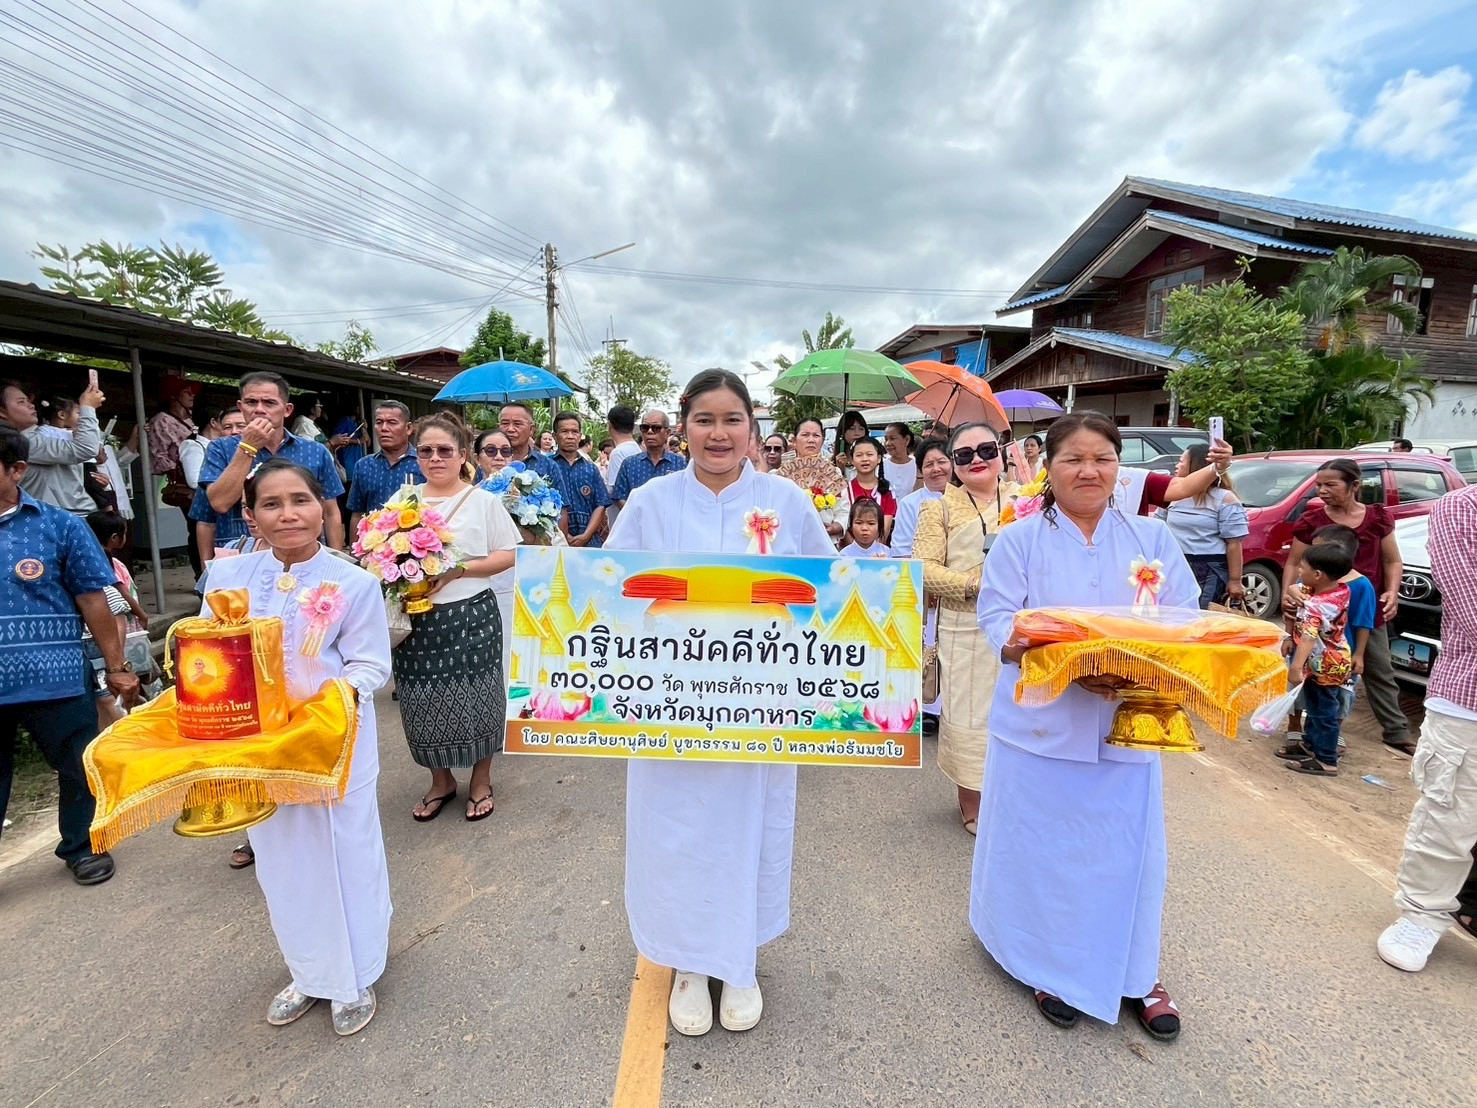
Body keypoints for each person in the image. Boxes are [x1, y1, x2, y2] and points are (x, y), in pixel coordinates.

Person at [605, 369, 834, 1038]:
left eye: (732, 419)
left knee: (750, 832)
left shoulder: (786, 501)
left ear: (751, 427)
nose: (718, 433)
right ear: (683, 427)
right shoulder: (649, 502)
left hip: (758, 715)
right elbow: (606, 591)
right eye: (704, 419)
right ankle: (686, 963)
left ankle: (739, 963)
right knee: (676, 835)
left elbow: (831, 591)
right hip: (668, 715)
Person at [975, 410, 1198, 1040]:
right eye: (1073, 459)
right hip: (1042, 727)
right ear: (1048, 467)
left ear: (1119, 467)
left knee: (1127, 854)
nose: (1088, 470)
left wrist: (1136, 669)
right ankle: (1048, 965)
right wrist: (1067, 665)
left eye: (1102, 458)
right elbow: (998, 620)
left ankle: (1136, 971)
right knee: (1047, 853)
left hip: (1130, 720)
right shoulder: (1020, 540)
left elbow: (1186, 618)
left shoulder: (1152, 539)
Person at [201, 459, 391, 1035]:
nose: (288, 514)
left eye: (300, 500)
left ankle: (355, 975)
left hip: (333, 744)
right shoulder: (227, 577)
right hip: (260, 750)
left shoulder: (354, 582)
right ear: (251, 514)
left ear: (322, 507)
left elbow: (370, 665)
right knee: (282, 863)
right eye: (272, 504)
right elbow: (207, 655)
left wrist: (326, 706)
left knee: (346, 855)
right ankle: (310, 973)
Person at [0, 429, 140, 886]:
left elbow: (93, 599)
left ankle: (83, 845)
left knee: (78, 764)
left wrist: (116, 666)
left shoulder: (60, 526)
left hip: (54, 673)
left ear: (17, 470)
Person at [394, 413, 518, 824]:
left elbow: (509, 554)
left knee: (479, 696)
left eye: (445, 450)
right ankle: (441, 780)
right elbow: (382, 552)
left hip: (472, 615)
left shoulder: (482, 501)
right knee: (421, 700)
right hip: (418, 619)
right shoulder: (401, 502)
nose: (435, 458)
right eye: (426, 451)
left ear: (463, 455)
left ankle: (481, 780)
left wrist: (458, 569)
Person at [1376, 481, 1477, 972]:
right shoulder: (1463, 509)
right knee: (1451, 818)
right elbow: (1473, 613)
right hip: (1469, 702)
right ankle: (1422, 915)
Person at [914, 423, 1018, 835]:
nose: (977, 459)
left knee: (1019, 712)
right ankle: (972, 803)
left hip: (1021, 624)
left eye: (986, 450)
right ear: (954, 464)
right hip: (965, 625)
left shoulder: (1026, 498)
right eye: (964, 454)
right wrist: (976, 585)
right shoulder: (939, 507)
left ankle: (1016, 800)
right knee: (969, 716)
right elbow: (923, 568)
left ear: (1001, 453)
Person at [1281, 459, 1410, 754]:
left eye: (1330, 484)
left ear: (1354, 485)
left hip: (1363, 608)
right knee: (1305, 666)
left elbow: (1392, 560)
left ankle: (1396, 731)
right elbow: (1293, 562)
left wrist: (1392, 592)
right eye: (1318, 485)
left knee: (1374, 669)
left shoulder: (1376, 518)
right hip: (1318, 610)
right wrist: (1288, 596)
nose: (1322, 491)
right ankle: (1302, 729)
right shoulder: (1312, 521)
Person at [196, 372, 346, 550]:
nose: (259, 409)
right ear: (241, 407)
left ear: (287, 410)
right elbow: (217, 506)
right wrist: (248, 447)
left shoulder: (315, 451)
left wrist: (336, 559)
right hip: (241, 554)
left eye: (269, 403)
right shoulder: (220, 449)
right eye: (251, 402)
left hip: (303, 553)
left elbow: (330, 512)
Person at [1276, 542, 1354, 776]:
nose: (1299, 572)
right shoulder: (1338, 590)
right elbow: (1295, 587)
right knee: (1315, 706)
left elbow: (1309, 638)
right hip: (1328, 661)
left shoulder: (1317, 606)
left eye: (1303, 568)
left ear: (1318, 575)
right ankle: (1310, 744)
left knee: (1324, 711)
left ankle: (1326, 759)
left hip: (1324, 665)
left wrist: (1295, 667)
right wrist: (1294, 592)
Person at [1161, 443, 1248, 609]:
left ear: (1196, 466)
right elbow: (1159, 529)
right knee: (1174, 614)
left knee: (1200, 616)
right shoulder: (1171, 496)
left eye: (1181, 461)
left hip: (1209, 569)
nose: (1177, 466)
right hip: (1175, 565)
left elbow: (1234, 543)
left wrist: (1235, 581)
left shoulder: (1225, 499)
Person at [3, 379, 106, 515]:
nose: (31, 405)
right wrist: (88, 408)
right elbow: (86, 449)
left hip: (68, 514)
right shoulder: (23, 441)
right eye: (21, 402)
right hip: (63, 516)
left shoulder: (41, 434)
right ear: (2, 412)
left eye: (28, 400)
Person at [473, 428, 520, 676]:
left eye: (505, 451)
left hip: (518, 582)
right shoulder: (468, 498)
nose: (499, 457)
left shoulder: (529, 492)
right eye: (490, 451)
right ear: (476, 457)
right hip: (479, 583)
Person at [346, 401, 423, 535]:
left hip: (416, 544)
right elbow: (357, 514)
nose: (384, 428)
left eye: (392, 422)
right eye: (379, 422)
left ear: (408, 428)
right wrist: (355, 548)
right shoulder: (364, 465)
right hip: (373, 544)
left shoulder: (424, 464)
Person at [190, 408, 249, 567]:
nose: (234, 431)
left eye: (241, 426)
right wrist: (206, 566)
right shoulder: (213, 465)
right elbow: (205, 521)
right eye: (227, 427)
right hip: (229, 551)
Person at [774, 418, 846, 543]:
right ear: (794, 441)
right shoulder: (777, 476)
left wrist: (836, 526)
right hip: (788, 541)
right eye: (805, 435)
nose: (811, 440)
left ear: (823, 440)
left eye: (816, 435)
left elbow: (843, 510)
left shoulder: (834, 473)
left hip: (825, 541)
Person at [551, 411, 610, 548]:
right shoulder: (548, 466)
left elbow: (601, 504)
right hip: (555, 541)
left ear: (580, 436)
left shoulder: (591, 468)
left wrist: (586, 535)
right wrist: (564, 535)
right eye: (564, 431)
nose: (570, 436)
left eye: (575, 432)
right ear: (555, 436)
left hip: (590, 541)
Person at [891, 439, 951, 558]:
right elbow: (902, 551)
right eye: (929, 464)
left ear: (953, 464)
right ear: (920, 471)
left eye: (941, 462)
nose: (936, 469)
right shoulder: (908, 503)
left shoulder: (966, 497)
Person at [612, 409, 686, 505]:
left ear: (667, 433)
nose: (650, 432)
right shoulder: (629, 464)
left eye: (656, 428)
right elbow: (620, 497)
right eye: (645, 428)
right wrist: (634, 513)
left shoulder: (681, 464)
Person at [843, 437, 897, 542]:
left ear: (879, 458)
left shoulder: (888, 490)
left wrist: (872, 550)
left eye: (869, 454)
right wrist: (855, 549)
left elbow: (884, 530)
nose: (864, 459)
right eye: (859, 455)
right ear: (852, 460)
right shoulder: (844, 490)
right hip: (848, 549)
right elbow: (843, 526)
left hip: (878, 550)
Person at [145, 376, 201, 477]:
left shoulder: (194, 417)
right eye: (186, 392)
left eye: (192, 392)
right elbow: (159, 455)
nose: (192, 395)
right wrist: (181, 472)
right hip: (180, 477)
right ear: (173, 396)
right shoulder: (161, 421)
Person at [497, 403, 564, 487]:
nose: (510, 429)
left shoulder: (548, 466)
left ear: (531, 429)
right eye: (505, 423)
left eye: (517, 424)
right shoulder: (488, 463)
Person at [603, 405, 641, 527]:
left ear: (610, 425)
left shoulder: (618, 453)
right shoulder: (637, 449)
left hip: (623, 521)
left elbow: (614, 491)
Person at [882, 422, 919, 497]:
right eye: (886, 439)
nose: (888, 443)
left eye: (892, 438)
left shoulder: (918, 465)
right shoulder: (880, 465)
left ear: (906, 440)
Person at [832, 410, 869, 478]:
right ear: (842, 432)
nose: (857, 433)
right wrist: (839, 470)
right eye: (852, 428)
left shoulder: (871, 460)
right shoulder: (830, 463)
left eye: (861, 429)